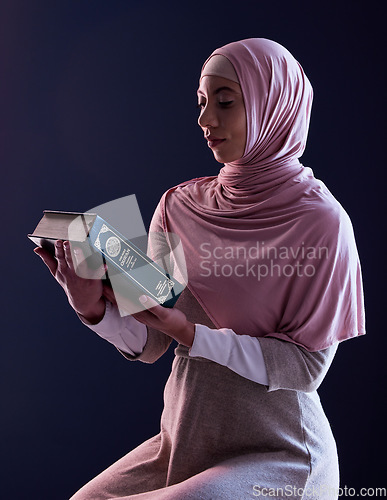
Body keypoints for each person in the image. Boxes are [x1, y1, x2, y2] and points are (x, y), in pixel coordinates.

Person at [34, 38, 365, 499]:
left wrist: (190, 333)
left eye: (225, 102)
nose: (205, 120)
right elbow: (151, 342)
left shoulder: (321, 221)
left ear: (275, 107)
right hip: (184, 442)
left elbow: (305, 367)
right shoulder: (179, 205)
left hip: (280, 454)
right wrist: (91, 308)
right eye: (202, 102)